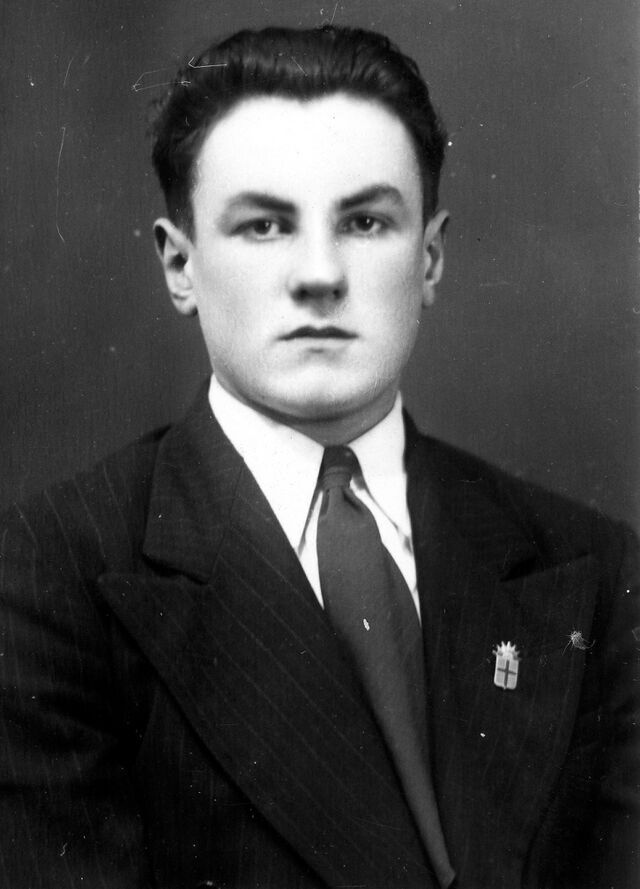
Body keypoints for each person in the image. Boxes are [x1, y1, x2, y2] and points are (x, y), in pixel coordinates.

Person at [0, 24, 637, 889]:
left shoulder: (595, 569)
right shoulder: (46, 577)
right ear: (180, 265)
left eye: (366, 222)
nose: (319, 274)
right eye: (264, 225)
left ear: (430, 259)